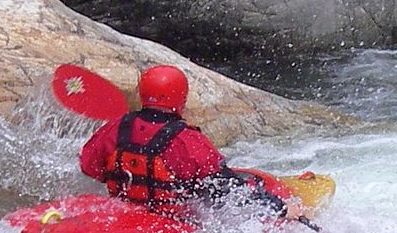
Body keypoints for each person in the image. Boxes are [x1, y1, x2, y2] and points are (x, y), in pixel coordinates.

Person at [79, 65, 298, 220]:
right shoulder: (187, 140)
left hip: (123, 215)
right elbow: (225, 188)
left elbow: (89, 166)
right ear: (181, 98)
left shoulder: (116, 127)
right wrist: (279, 207)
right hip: (170, 223)